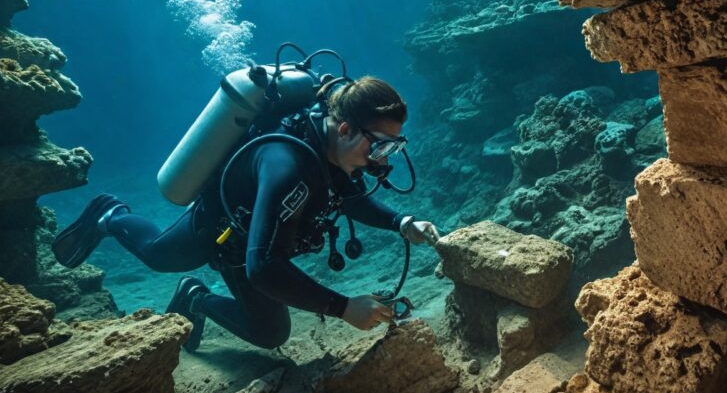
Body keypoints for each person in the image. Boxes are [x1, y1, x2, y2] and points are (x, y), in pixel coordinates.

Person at [52, 76, 439, 351]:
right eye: (380, 147)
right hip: (220, 230)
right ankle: (109, 215)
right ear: (344, 129)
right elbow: (264, 266)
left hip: (253, 238)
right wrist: (344, 308)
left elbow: (350, 197)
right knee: (157, 254)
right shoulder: (288, 166)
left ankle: (195, 298)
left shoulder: (335, 151)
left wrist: (401, 223)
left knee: (270, 333)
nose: (380, 162)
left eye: (391, 149)